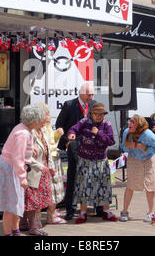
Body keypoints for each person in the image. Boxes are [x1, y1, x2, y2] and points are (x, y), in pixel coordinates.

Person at [0, 104, 46, 236]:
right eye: (42, 119)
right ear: (35, 120)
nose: (44, 121)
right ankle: (9, 234)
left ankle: (16, 231)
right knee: (10, 204)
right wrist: (23, 178)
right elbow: (18, 158)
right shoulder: (23, 133)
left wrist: (31, 149)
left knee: (15, 202)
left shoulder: (23, 128)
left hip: (9, 166)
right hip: (9, 168)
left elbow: (19, 149)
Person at [67, 103, 117, 224]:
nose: (99, 117)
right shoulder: (84, 122)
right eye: (97, 114)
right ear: (92, 114)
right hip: (86, 159)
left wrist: (98, 133)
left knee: (104, 186)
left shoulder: (107, 124)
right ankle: (83, 213)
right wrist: (71, 133)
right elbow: (73, 128)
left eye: (101, 114)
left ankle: (106, 211)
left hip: (101, 160)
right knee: (84, 185)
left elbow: (111, 141)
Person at [55, 83, 98, 220]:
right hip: (74, 145)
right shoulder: (69, 105)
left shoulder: (94, 105)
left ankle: (94, 207)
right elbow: (59, 124)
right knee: (73, 176)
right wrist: (66, 141)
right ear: (81, 93)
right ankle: (70, 209)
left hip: (91, 146)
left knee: (91, 176)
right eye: (88, 94)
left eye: (92, 94)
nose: (90, 97)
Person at [119, 115, 155, 223]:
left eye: (132, 122)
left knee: (150, 185)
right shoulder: (126, 132)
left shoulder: (148, 134)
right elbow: (123, 147)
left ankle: (151, 213)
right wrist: (129, 146)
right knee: (131, 185)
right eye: (129, 121)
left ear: (139, 125)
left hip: (149, 158)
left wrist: (145, 147)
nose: (129, 123)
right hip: (134, 158)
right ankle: (124, 211)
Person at [22, 107, 56, 236]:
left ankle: (25, 223)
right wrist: (40, 166)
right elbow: (26, 155)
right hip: (33, 171)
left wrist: (50, 165)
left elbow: (47, 150)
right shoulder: (29, 132)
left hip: (41, 169)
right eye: (44, 116)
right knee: (32, 200)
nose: (46, 119)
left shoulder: (42, 131)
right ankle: (32, 227)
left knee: (34, 200)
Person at [36, 102, 66, 225]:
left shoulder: (47, 127)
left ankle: (50, 215)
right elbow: (46, 145)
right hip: (46, 162)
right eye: (47, 114)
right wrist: (57, 134)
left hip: (53, 160)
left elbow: (51, 143)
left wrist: (57, 134)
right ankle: (36, 220)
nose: (50, 116)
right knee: (43, 191)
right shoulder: (39, 129)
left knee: (55, 190)